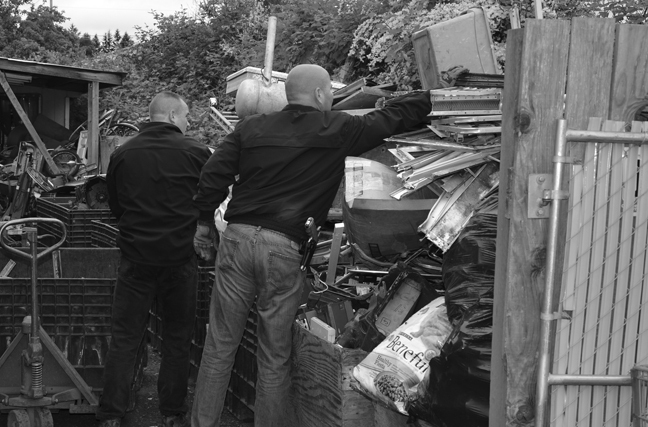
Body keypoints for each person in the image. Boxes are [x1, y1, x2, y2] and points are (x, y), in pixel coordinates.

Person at [190, 64, 432, 427]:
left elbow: (211, 177)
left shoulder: (251, 128)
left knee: (219, 346)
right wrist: (432, 97)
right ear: (320, 94)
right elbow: (393, 119)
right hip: (282, 247)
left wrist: (203, 225)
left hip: (238, 240)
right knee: (273, 356)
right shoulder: (338, 128)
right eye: (330, 94)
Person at [98, 91, 212, 427]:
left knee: (125, 338)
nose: (188, 122)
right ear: (174, 114)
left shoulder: (123, 153)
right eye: (187, 115)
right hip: (179, 260)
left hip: (136, 259)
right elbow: (209, 202)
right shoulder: (196, 152)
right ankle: (171, 414)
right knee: (177, 340)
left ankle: (110, 415)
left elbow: (115, 206)